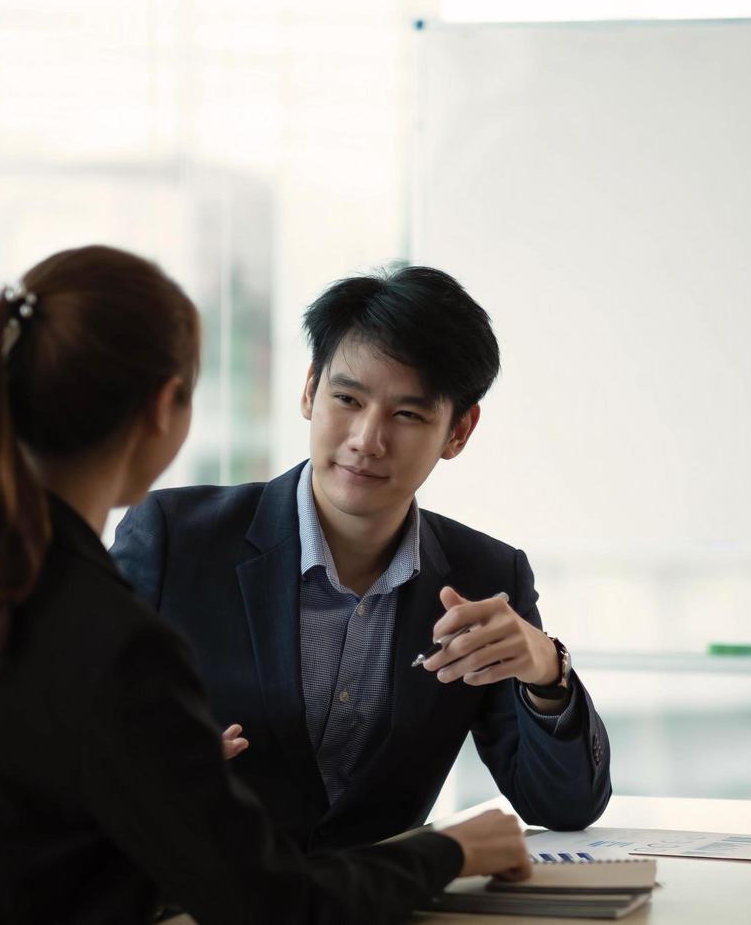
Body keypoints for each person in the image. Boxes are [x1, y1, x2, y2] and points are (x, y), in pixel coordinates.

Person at [0, 246, 529, 925]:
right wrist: (447, 851)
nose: (368, 438)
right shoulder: (112, 637)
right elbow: (276, 907)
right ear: (165, 407)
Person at [110, 264, 611, 852]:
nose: (366, 439)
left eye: (407, 414)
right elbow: (62, 734)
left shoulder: (487, 577)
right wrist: (139, 766)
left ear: (459, 432)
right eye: (347, 399)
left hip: (387, 905)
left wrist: (546, 670)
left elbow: (566, 806)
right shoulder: (175, 539)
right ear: (308, 390)